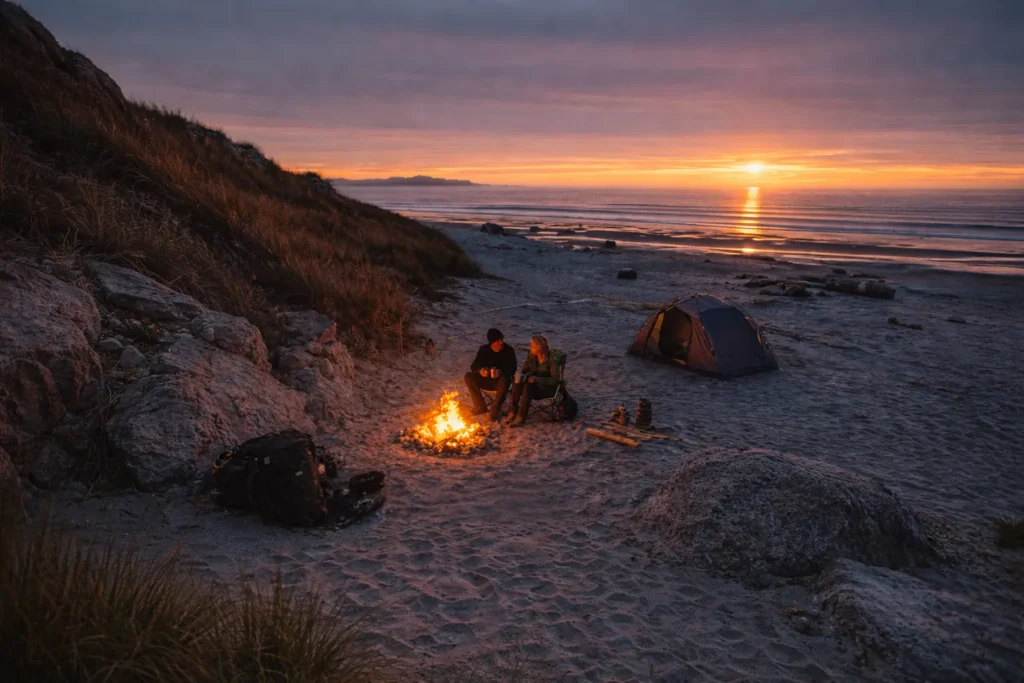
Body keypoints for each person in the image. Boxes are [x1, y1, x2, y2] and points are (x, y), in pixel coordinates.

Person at [508, 334, 565, 427]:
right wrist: (522, 376)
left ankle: (521, 417)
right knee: (517, 383)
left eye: (532, 346)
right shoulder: (531, 356)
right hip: (532, 385)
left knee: (528, 387)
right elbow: (525, 370)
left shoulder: (551, 360)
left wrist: (537, 379)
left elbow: (555, 380)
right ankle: (512, 411)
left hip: (546, 389)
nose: (530, 347)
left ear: (539, 347)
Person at [464, 328, 518, 421]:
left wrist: (501, 372)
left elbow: (513, 367)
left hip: (501, 382)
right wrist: (480, 370)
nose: (501, 342)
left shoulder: (508, 350)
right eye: (498, 341)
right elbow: (474, 366)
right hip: (486, 380)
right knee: (468, 376)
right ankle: (480, 406)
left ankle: (495, 410)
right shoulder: (484, 350)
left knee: (505, 378)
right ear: (492, 342)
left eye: (501, 340)